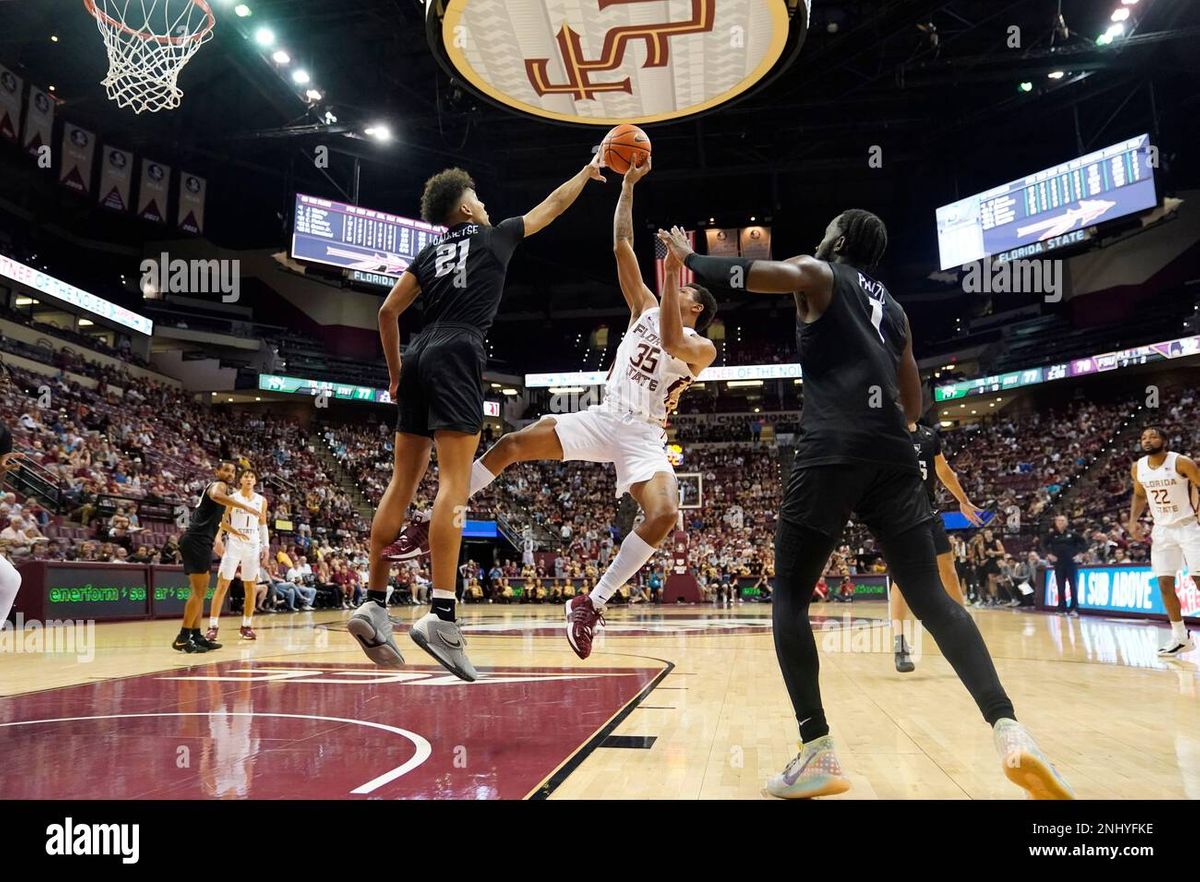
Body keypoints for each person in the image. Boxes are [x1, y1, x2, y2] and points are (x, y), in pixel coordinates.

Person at [659, 212, 1072, 800]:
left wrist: (687, 258)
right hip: (895, 458)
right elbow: (912, 400)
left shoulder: (820, 273)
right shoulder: (897, 312)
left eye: (827, 229)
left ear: (841, 240)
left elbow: (752, 274)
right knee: (933, 598)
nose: (820, 235)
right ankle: (1010, 729)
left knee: (790, 598)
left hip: (831, 450)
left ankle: (817, 750)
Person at [392, 158, 717, 660]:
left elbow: (672, 336)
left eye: (684, 291)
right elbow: (622, 245)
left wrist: (676, 270)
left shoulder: (701, 346)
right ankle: (428, 524)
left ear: (697, 305)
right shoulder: (644, 307)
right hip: (605, 415)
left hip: (645, 435)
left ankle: (591, 602)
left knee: (664, 513)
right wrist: (628, 186)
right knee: (513, 443)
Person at [348, 154, 605, 680]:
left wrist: (396, 375)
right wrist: (586, 171)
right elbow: (551, 208)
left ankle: (374, 603)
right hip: (460, 349)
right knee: (455, 485)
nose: (486, 205)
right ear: (466, 206)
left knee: (402, 482)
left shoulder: (427, 251)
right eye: (480, 200)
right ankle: (442, 616)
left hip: (419, 352)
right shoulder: (493, 236)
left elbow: (386, 312)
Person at [890, 420, 984, 672]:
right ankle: (899, 643)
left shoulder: (929, 436)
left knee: (949, 573)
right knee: (901, 580)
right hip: (899, 516)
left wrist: (963, 501)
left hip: (929, 513)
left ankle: (965, 631)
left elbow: (943, 471)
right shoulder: (886, 430)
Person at [172, 461, 263, 653]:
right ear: (217, 471)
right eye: (226, 470)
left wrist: (232, 532)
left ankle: (196, 635)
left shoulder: (224, 494)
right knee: (198, 593)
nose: (230, 473)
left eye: (232, 471)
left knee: (201, 593)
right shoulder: (218, 486)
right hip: (196, 540)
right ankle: (182, 637)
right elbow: (215, 494)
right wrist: (244, 506)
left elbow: (220, 520)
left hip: (203, 541)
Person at [1128, 426, 1200, 656]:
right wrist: (1133, 522)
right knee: (1164, 584)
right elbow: (1139, 495)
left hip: (1189, 525)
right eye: (1144, 437)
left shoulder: (1182, 462)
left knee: (1198, 580)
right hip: (1162, 530)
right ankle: (1181, 637)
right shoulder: (1138, 467)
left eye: (1153, 436)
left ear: (1165, 441)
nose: (1148, 440)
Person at [206, 469, 269, 642]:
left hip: (253, 544)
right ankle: (212, 627)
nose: (249, 479)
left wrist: (267, 547)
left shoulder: (261, 500)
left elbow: (263, 525)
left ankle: (246, 626)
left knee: (250, 587)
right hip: (233, 543)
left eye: (252, 477)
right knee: (222, 584)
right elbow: (222, 520)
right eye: (246, 476)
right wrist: (218, 538)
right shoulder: (232, 498)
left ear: (255, 481)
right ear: (240, 480)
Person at [1043, 514, 1087, 618]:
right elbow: (1043, 544)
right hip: (1059, 564)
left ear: (1066, 523)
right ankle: (1061, 608)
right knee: (1060, 586)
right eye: (1058, 521)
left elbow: (1084, 543)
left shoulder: (1073, 534)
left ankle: (1074, 608)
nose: (1060, 522)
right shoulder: (1052, 535)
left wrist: (1080, 554)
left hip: (1071, 563)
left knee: (1073, 585)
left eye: (1062, 521)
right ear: (1055, 523)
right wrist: (1049, 554)